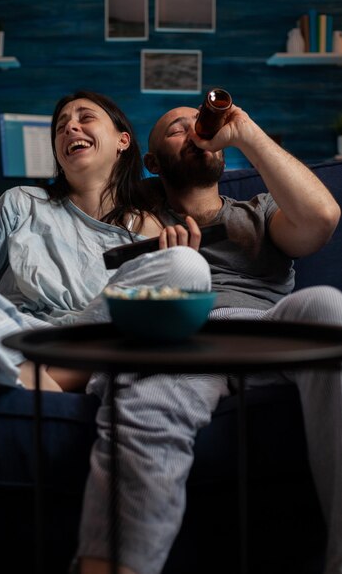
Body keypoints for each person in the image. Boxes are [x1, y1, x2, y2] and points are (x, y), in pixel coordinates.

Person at [73, 102, 342, 574]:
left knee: (328, 306)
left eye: (196, 125)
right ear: (154, 162)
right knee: (147, 383)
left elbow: (321, 219)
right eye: (177, 131)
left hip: (267, 328)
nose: (193, 133)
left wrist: (246, 134)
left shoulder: (260, 211)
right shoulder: (132, 221)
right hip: (179, 337)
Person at [0, 90, 204, 392]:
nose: (70, 128)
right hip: (25, 337)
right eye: (61, 127)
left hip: (101, 338)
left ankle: (35, 382)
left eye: (85, 118)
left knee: (187, 264)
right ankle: (64, 379)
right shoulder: (21, 201)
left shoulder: (155, 227)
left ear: (122, 141)